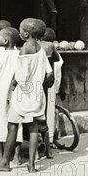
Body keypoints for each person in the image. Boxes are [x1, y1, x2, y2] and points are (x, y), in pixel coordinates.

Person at [0, 18, 52, 173]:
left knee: (12, 126)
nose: (19, 32)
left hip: (22, 96)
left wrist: (14, 84)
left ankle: (4, 162)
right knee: (33, 128)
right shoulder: (41, 49)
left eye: (20, 29)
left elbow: (21, 77)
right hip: (36, 95)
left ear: (26, 33)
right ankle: (32, 165)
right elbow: (49, 73)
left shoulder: (24, 49)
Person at [0, 27, 21, 164]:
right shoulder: (20, 54)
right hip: (16, 92)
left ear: (5, 40)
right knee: (17, 123)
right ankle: (17, 157)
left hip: (1, 92)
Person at [37, 27, 59, 159]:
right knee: (43, 117)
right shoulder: (50, 46)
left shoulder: (27, 46)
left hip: (33, 85)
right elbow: (55, 59)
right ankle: (47, 148)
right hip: (46, 84)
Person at [42, 27, 64, 154]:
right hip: (52, 87)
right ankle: (49, 139)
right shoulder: (56, 55)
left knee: (45, 113)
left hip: (46, 86)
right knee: (50, 112)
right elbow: (59, 74)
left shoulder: (41, 51)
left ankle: (46, 139)